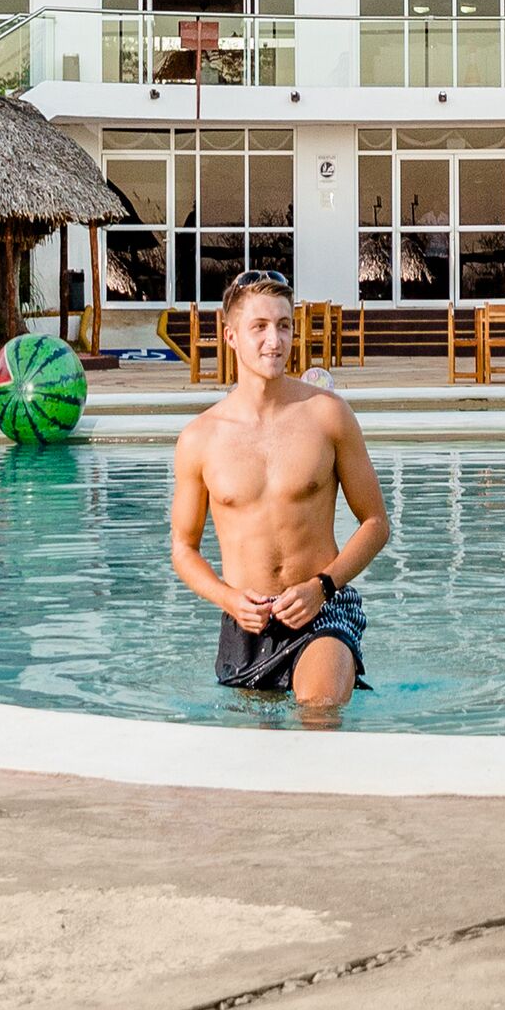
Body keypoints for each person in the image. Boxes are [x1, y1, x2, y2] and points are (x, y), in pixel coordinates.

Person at [167, 271, 390, 718]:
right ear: (230, 335)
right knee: (255, 761)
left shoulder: (328, 416)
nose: (275, 340)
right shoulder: (200, 439)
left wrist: (321, 586)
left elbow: (376, 523)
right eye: (260, 327)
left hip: (323, 609)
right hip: (247, 622)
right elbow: (183, 549)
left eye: (284, 325)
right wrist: (229, 599)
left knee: (319, 710)